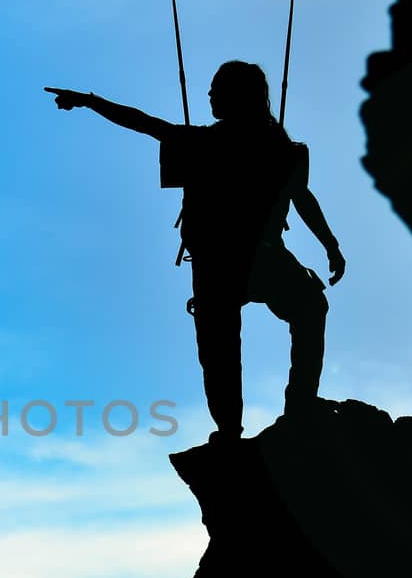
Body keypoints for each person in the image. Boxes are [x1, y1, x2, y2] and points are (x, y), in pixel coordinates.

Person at [47, 60, 346, 439]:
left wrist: (90, 101)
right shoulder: (282, 150)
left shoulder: (206, 144)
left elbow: (143, 123)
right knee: (306, 310)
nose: (209, 96)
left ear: (236, 97)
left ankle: (232, 429)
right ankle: (295, 406)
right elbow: (301, 197)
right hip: (260, 257)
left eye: (216, 90)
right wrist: (330, 246)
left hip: (220, 263)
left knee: (221, 349)